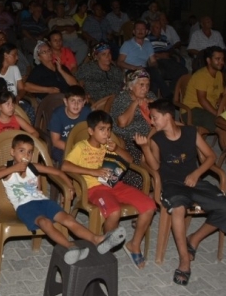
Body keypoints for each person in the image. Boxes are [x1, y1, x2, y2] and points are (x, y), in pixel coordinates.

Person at [0, 133, 126, 265]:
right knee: (44, 222)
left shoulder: (33, 167)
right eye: (21, 151)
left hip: (43, 201)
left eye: (29, 152)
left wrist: (70, 186)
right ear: (12, 152)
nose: (26, 155)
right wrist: (13, 169)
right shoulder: (6, 169)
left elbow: (57, 171)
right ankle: (70, 246)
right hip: (24, 206)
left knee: (68, 219)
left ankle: (97, 240)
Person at [137, 99, 226, 286]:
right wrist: (145, 147)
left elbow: (211, 156)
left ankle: (194, 239)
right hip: (172, 184)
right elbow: (155, 165)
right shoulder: (156, 139)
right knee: (179, 209)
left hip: (194, 181)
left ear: (167, 117)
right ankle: (184, 261)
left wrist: (196, 173)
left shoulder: (191, 132)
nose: (152, 121)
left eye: (155, 117)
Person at [62, 111, 156, 269]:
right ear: (91, 131)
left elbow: (130, 160)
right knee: (114, 212)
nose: (106, 133)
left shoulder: (109, 145)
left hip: (115, 185)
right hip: (94, 189)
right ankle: (106, 245)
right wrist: (93, 171)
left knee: (149, 206)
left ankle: (134, 244)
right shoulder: (81, 147)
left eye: (108, 129)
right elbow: (65, 166)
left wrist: (117, 148)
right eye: (102, 129)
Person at [118, 20, 171, 99]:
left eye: (142, 29)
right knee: (153, 74)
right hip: (131, 71)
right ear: (134, 31)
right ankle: (168, 97)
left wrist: (153, 66)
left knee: (154, 78)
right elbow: (119, 62)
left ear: (146, 31)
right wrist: (134, 67)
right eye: (138, 29)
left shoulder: (148, 44)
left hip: (144, 70)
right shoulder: (127, 44)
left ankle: (153, 104)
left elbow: (153, 62)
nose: (140, 31)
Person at [182, 46, 226, 132]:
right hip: (193, 110)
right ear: (209, 60)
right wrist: (217, 114)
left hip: (208, 109)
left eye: (222, 59)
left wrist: (221, 106)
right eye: (217, 59)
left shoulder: (219, 74)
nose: (221, 62)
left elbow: (220, 94)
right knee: (222, 126)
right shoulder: (201, 76)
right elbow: (202, 100)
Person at [48, 85, 90, 164]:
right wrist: (76, 149)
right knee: (68, 162)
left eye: (79, 101)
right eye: (72, 100)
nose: (76, 104)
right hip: (62, 147)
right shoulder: (57, 115)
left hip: (82, 145)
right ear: (66, 102)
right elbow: (56, 141)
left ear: (84, 102)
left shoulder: (87, 113)